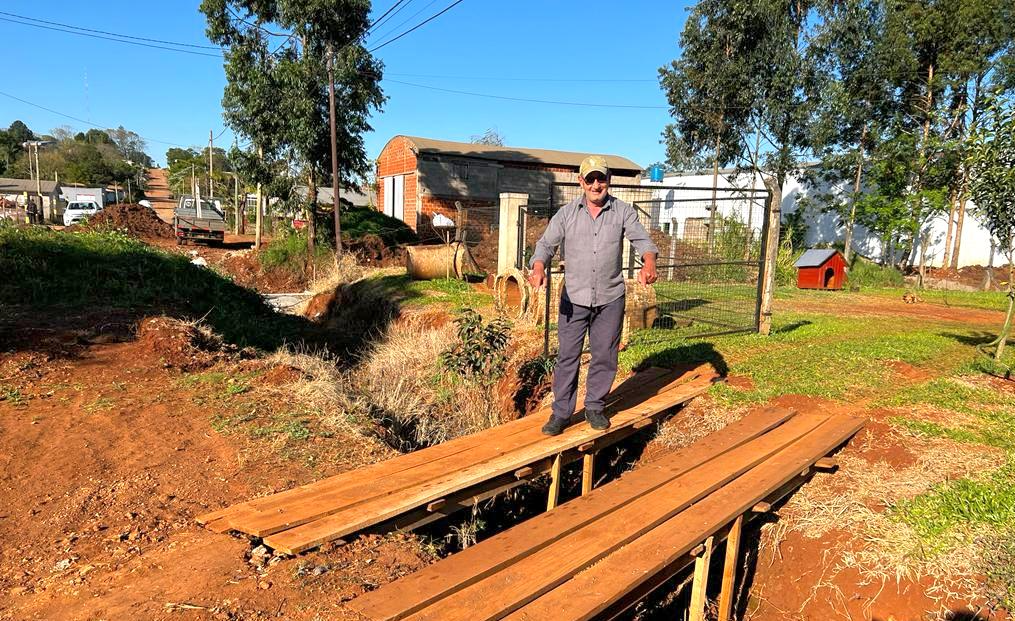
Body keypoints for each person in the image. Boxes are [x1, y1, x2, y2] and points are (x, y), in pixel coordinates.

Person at [527, 155, 659, 436]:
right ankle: (561, 413)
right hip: (573, 299)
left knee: (605, 355)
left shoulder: (623, 211)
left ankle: (595, 407)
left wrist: (649, 263)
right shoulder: (566, 214)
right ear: (581, 182)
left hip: (610, 298)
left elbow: (643, 242)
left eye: (601, 178)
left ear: (608, 180)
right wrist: (538, 267)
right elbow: (546, 244)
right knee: (568, 356)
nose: (596, 185)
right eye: (590, 179)